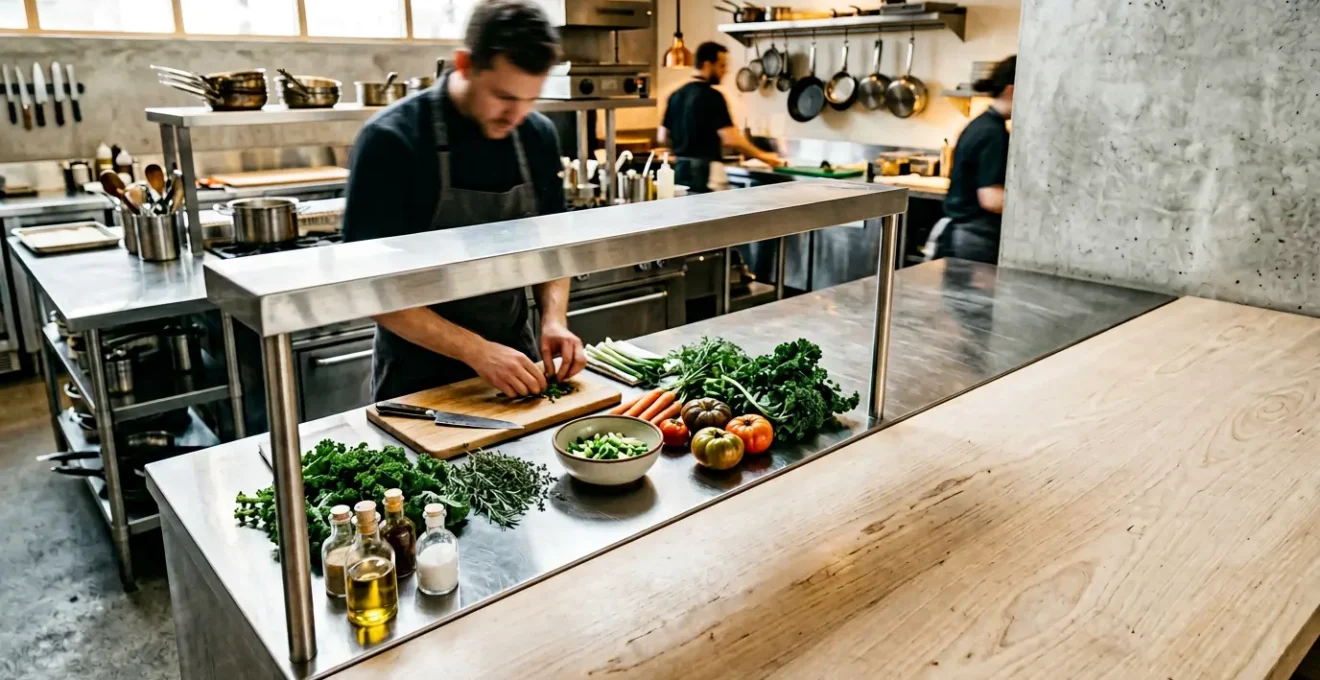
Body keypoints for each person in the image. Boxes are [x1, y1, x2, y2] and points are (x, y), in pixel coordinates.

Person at [342, 0, 585, 401]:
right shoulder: (391, 141)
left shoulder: (536, 135)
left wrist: (554, 320)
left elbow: (553, 245)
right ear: (465, 64)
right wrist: (477, 351)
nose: (516, 116)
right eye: (504, 96)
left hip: (516, 367)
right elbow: (371, 289)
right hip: (418, 379)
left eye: (529, 99)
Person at [659, 41, 784, 192]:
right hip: (705, 175)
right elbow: (731, 139)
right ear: (707, 64)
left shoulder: (676, 95)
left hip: (679, 172)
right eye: (721, 65)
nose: (725, 71)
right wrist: (763, 156)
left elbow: (662, 136)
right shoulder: (712, 96)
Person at [942, 55, 1015, 264]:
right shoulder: (993, 133)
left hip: (965, 236)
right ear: (1012, 90)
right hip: (976, 239)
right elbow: (990, 197)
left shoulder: (982, 124)